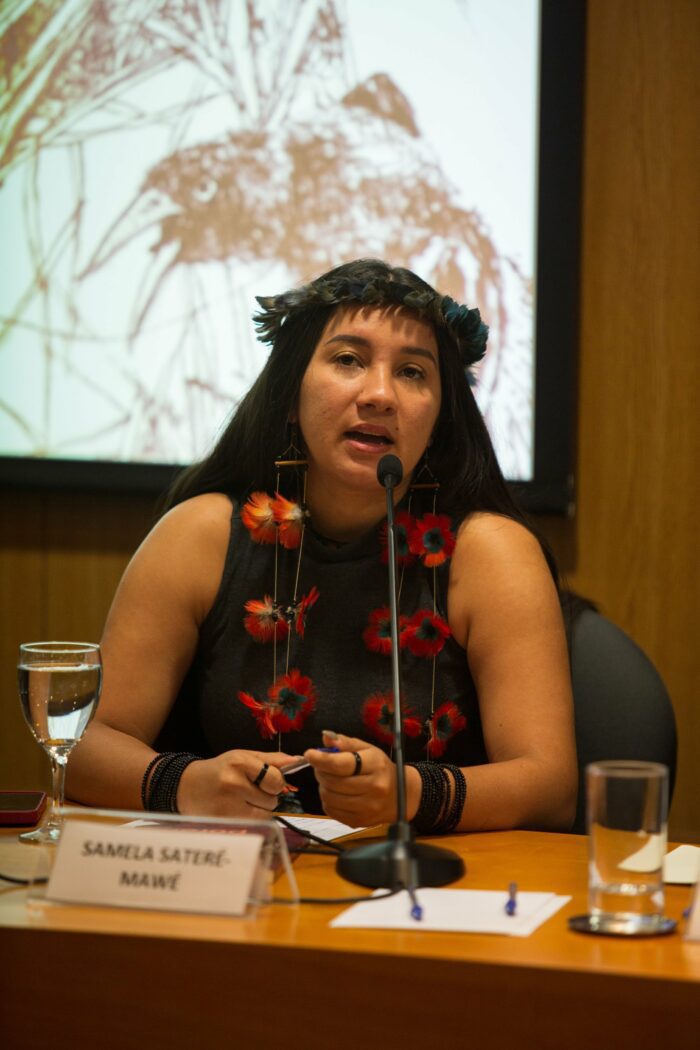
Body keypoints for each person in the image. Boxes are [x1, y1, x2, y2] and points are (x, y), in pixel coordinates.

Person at [67, 259, 577, 834]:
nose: (380, 394)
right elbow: (82, 750)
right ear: (290, 396)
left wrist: (413, 794)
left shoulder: (490, 552)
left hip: (431, 888)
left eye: (412, 372)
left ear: (439, 418)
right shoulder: (201, 534)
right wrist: (186, 784)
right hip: (240, 883)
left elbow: (550, 784)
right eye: (348, 360)